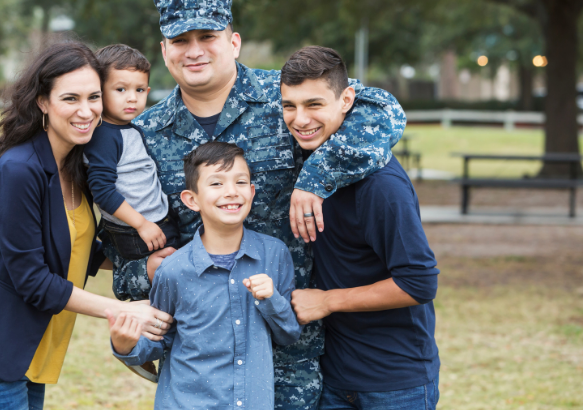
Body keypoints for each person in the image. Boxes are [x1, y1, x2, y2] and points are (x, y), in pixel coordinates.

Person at [115, 1, 406, 408]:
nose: (194, 50)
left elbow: (382, 111)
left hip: (293, 350)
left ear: (233, 42)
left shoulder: (285, 97)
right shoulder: (140, 135)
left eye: (207, 37)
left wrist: (314, 181)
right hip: (205, 360)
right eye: (181, 40)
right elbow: (121, 254)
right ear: (165, 51)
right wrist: (147, 271)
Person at [0, 42, 173, 410]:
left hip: (35, 351)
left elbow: (78, 250)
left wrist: (146, 265)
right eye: (70, 98)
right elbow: (32, 279)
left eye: (94, 97)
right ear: (42, 102)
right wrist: (120, 309)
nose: (86, 111)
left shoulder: (76, 166)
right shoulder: (19, 170)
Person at [283, 47, 440, 410]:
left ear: (346, 100)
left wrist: (326, 301)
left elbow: (419, 282)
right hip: (334, 376)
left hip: (394, 380)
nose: (300, 119)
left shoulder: (382, 187)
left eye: (314, 104)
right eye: (289, 106)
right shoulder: (309, 162)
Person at [108, 141, 302, 409]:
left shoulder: (274, 254)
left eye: (241, 182)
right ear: (192, 199)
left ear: (252, 191)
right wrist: (125, 345)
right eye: (216, 184)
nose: (231, 192)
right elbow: (160, 339)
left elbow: (288, 333)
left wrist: (271, 299)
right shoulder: (173, 270)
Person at [84, 44, 180, 264]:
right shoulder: (104, 137)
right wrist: (141, 224)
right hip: (136, 231)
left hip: (154, 222)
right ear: (98, 90)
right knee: (171, 280)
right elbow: (102, 190)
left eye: (139, 90)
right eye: (120, 89)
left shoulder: (128, 128)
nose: (132, 98)